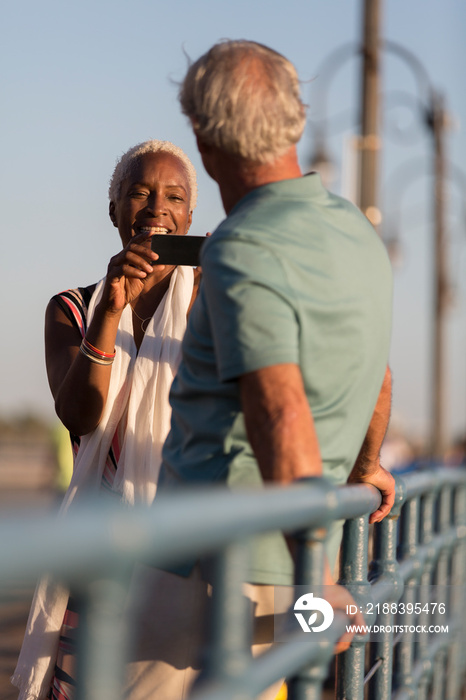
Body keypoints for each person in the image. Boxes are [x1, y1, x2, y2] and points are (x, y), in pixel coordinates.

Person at [124, 41, 395, 700]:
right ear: (296, 119)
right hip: (282, 566)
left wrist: (315, 574)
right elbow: (378, 379)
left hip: (212, 569)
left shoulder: (239, 247)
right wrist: (363, 469)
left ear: (205, 140)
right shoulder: (358, 235)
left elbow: (279, 408)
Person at [12, 139, 200, 700]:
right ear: (114, 210)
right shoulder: (72, 308)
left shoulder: (216, 303)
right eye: (138, 193)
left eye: (174, 196)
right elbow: (79, 414)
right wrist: (112, 309)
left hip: (190, 545)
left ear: (191, 215)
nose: (156, 208)